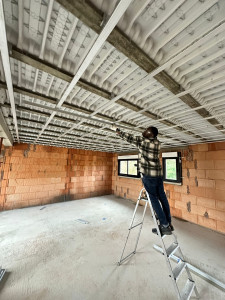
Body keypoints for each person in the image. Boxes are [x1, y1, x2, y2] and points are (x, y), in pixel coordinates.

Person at [112, 125, 174, 235]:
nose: (144, 131)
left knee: (153, 199)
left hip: (149, 176)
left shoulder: (143, 141)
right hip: (158, 175)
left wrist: (117, 131)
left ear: (150, 134)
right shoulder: (157, 143)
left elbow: (129, 138)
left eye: (146, 131)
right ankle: (168, 223)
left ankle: (164, 225)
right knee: (162, 198)